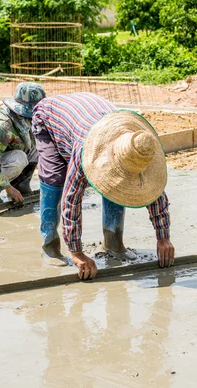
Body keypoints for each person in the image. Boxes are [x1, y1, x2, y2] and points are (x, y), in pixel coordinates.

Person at [32, 92, 175, 277]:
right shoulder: (87, 150)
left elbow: (155, 193)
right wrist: (77, 253)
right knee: (55, 179)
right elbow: (72, 199)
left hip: (89, 115)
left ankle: (114, 242)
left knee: (119, 182)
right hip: (50, 118)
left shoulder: (138, 146)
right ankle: (49, 245)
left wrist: (163, 237)